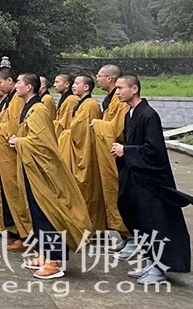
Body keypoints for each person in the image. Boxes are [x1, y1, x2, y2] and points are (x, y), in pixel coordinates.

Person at [9, 73, 92, 280]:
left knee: (47, 213)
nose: (16, 85)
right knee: (36, 212)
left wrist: (19, 142)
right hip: (32, 169)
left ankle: (54, 262)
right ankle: (45, 254)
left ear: (29, 87)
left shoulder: (38, 110)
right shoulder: (29, 108)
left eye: (19, 82)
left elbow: (42, 144)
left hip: (42, 172)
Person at [112, 74, 193, 285]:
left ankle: (160, 268)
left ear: (135, 89)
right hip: (136, 178)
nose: (117, 92)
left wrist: (126, 150)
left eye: (121, 88)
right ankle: (152, 262)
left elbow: (154, 151)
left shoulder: (149, 115)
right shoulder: (130, 114)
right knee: (141, 222)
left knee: (156, 223)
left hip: (152, 182)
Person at [0, 67, 30, 250]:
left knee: (15, 195)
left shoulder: (17, 101)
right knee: (5, 193)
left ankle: (23, 235)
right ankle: (14, 231)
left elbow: (12, 128)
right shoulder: (9, 100)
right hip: (3, 155)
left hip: (12, 156)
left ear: (9, 81)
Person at [56, 74, 105, 233]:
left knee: (87, 193)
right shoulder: (81, 103)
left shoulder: (90, 105)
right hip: (76, 151)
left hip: (85, 154)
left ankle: (89, 228)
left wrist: (66, 133)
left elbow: (82, 133)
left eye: (77, 83)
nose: (74, 86)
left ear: (86, 87)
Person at [90, 64, 129, 242]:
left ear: (110, 78)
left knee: (118, 192)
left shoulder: (120, 103)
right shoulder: (110, 99)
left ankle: (128, 235)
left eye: (99, 76)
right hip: (107, 152)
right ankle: (123, 235)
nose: (97, 79)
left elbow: (118, 129)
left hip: (118, 154)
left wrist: (98, 124)